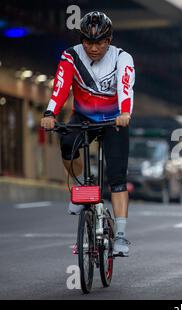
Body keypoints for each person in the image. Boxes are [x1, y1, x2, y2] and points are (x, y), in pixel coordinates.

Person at [40, 11, 135, 257]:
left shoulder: (122, 58)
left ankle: (121, 236)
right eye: (88, 42)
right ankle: (79, 189)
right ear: (81, 40)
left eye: (100, 42)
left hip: (115, 119)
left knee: (116, 177)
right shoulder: (70, 56)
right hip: (83, 117)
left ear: (109, 40)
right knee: (67, 145)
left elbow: (126, 88)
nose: (93, 48)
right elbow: (60, 87)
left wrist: (125, 113)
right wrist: (50, 113)